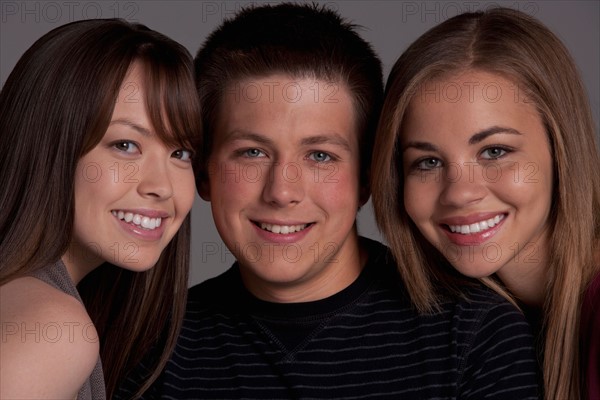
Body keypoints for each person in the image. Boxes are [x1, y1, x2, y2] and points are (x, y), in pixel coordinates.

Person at [117, 4, 539, 398]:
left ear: (367, 179)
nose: (282, 191)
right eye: (252, 152)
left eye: (320, 156)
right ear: (204, 173)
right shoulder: (151, 349)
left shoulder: (473, 333)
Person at [371, 7, 600, 400]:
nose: (459, 192)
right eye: (427, 162)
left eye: (495, 151)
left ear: (561, 149)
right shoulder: (478, 328)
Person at [0, 19, 202, 399]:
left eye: (181, 152)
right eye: (125, 145)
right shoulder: (52, 331)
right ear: (49, 147)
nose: (161, 186)